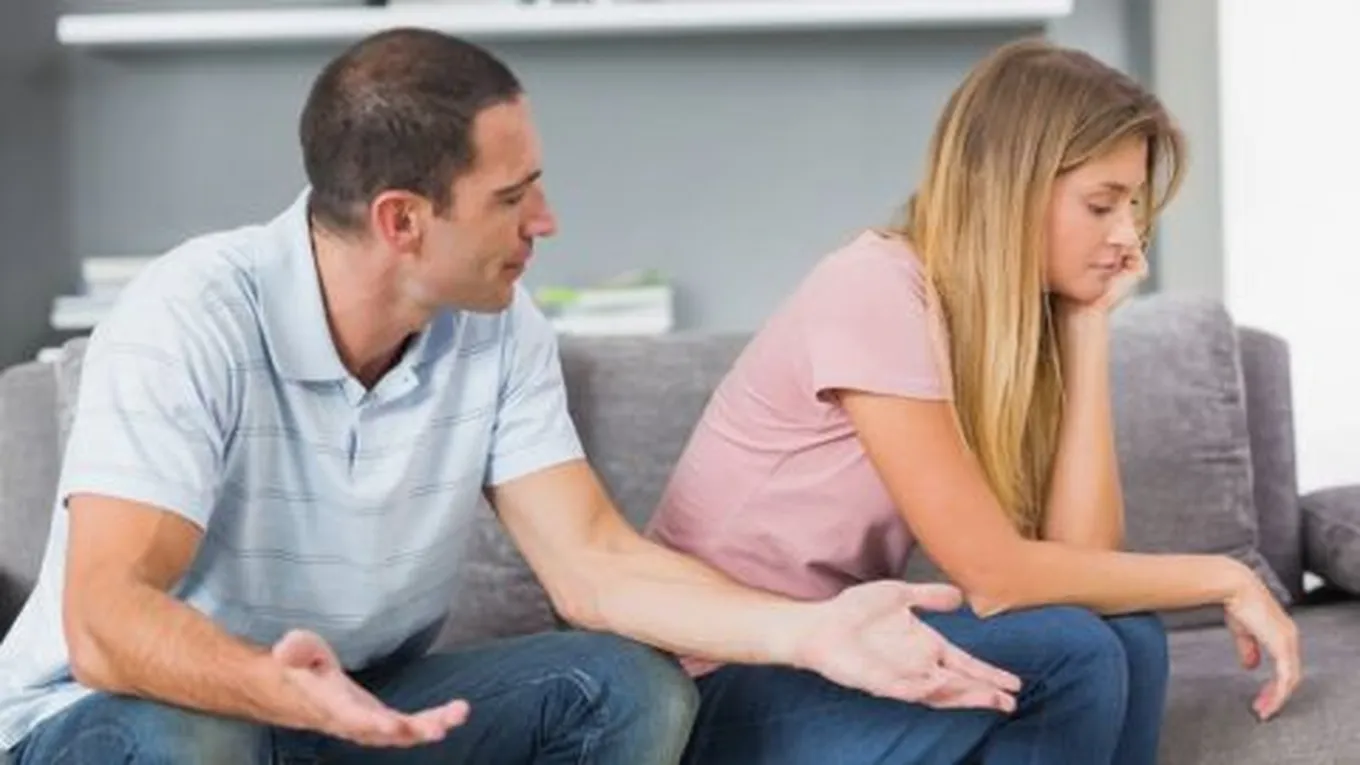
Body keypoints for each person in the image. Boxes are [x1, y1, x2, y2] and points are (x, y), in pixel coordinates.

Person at [0, 28, 1024, 765]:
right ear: (403, 221)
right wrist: (270, 685)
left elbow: (594, 563)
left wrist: (813, 631)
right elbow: (107, 619)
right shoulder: (192, 315)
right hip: (128, 717)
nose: (547, 220)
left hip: (354, 706)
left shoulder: (494, 327)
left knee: (623, 684)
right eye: (511, 196)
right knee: (198, 736)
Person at [648, 37, 1303, 765]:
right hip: (712, 685)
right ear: (1010, 188)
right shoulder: (872, 286)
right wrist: (1226, 575)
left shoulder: (997, 330)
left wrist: (1086, 328)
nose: (1127, 236)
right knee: (1074, 652)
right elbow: (996, 579)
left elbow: (1078, 564)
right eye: (1101, 204)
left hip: (834, 654)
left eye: (1134, 206)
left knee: (1132, 636)